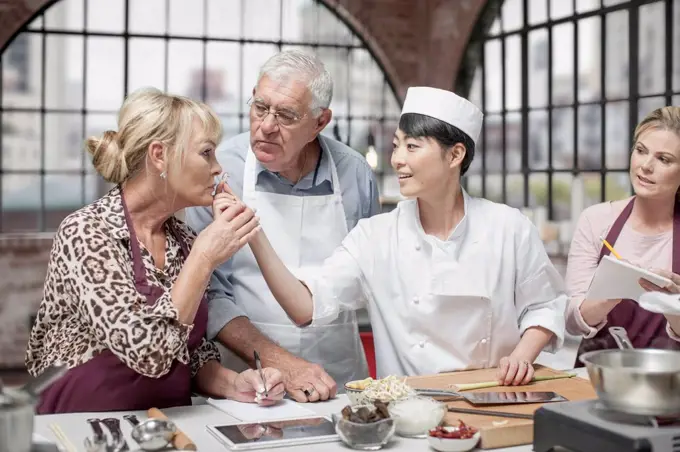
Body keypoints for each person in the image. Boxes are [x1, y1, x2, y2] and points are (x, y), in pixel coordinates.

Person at [224, 86, 567, 384]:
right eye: (396, 145)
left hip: (491, 401)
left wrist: (522, 355)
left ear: (456, 154)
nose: (398, 160)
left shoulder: (509, 228)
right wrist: (254, 232)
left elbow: (545, 306)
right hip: (409, 413)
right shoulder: (376, 236)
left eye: (413, 147)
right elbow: (305, 307)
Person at [25, 87, 284, 414]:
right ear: (159, 155)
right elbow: (148, 352)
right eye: (206, 153)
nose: (219, 169)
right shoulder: (87, 232)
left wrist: (234, 383)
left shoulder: (185, 240)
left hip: (162, 428)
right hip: (80, 427)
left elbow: (188, 353)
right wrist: (204, 258)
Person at [185, 50, 380, 401]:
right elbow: (208, 293)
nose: (266, 126)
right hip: (250, 381)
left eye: (286, 115)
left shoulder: (356, 176)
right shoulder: (220, 172)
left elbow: (369, 281)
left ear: (320, 122)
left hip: (339, 380)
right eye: (260, 108)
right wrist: (280, 362)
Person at [566, 106, 680, 360]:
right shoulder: (596, 221)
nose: (646, 166)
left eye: (664, 159)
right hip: (597, 377)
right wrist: (615, 289)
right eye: (641, 151)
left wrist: (673, 305)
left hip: (671, 380)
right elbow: (573, 323)